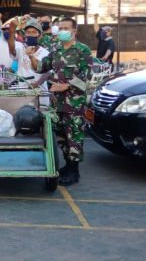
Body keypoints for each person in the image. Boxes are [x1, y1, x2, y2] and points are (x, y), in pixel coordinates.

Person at [28, 17, 91, 186]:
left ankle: (74, 171)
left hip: (74, 103)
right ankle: (67, 165)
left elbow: (86, 78)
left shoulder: (82, 50)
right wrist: (32, 57)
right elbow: (41, 67)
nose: (62, 30)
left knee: (74, 136)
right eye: (60, 27)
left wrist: (66, 86)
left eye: (65, 28)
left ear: (74, 31)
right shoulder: (56, 50)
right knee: (62, 135)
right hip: (57, 103)